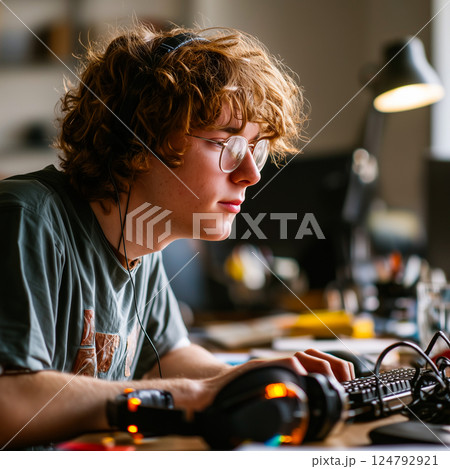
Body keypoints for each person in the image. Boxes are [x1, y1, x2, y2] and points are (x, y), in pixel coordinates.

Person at [0, 23, 354, 450]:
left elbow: (168, 358)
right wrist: (194, 396)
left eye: (254, 148)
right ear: (140, 140)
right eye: (227, 143)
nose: (251, 174)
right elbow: (10, 399)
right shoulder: (27, 218)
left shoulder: (144, 240)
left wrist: (249, 376)